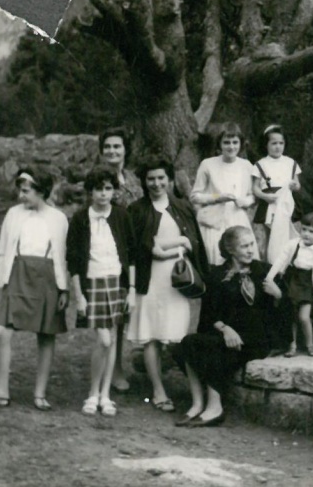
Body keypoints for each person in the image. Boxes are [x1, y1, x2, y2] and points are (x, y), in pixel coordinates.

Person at [0, 167, 69, 411]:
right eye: (20, 190)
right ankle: (0, 391)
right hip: (17, 274)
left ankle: (39, 393)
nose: (21, 196)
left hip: (47, 277)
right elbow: (2, 250)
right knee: (1, 331)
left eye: (26, 191)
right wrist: (3, 282)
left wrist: (63, 289)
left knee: (46, 334)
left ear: (42, 191)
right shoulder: (13, 214)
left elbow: (62, 256)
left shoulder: (58, 219)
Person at [170, 226, 282, 427]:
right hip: (229, 337)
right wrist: (225, 328)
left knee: (214, 348)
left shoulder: (265, 271)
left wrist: (278, 295)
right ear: (231, 249)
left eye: (251, 245)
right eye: (244, 246)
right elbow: (209, 315)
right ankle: (197, 404)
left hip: (257, 337)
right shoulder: (217, 275)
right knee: (187, 343)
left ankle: (215, 408)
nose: (250, 250)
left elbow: (282, 315)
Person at [127, 156, 208, 412]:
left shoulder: (182, 207)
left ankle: (193, 390)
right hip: (150, 279)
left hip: (177, 279)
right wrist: (178, 245)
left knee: (178, 335)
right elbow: (140, 248)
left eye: (161, 178)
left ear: (170, 179)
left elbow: (194, 242)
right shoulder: (137, 210)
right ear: (144, 182)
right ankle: (158, 390)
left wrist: (182, 247)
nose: (156, 183)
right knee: (152, 336)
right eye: (151, 179)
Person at [66, 167, 135, 416]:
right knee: (103, 340)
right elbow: (72, 261)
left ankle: (105, 395)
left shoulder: (121, 216)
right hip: (92, 283)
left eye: (108, 188)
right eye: (98, 189)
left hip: (116, 282)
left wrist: (132, 290)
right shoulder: (80, 219)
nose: (103, 194)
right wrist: (79, 296)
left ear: (113, 191)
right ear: (90, 191)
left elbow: (131, 255)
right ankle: (92, 392)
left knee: (113, 339)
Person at [98, 127, 142, 391]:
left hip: (133, 249)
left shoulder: (134, 179)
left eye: (117, 146)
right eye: (108, 147)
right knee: (110, 313)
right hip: (107, 249)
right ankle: (110, 370)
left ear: (126, 150)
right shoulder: (98, 179)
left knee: (123, 313)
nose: (112, 151)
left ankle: (117, 365)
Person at [265, 211, 313, 357]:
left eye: (312, 231)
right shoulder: (293, 244)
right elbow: (280, 260)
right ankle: (292, 345)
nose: (306, 234)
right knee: (290, 316)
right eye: (304, 229)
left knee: (303, 317)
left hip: (307, 283)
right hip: (292, 280)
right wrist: (270, 277)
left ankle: (310, 344)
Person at [190, 122, 258, 266]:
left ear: (240, 144)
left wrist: (245, 201)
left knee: (242, 260)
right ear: (219, 144)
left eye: (235, 142)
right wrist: (217, 198)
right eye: (226, 142)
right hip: (214, 222)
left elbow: (253, 195)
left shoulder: (246, 166)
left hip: (237, 218)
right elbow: (195, 196)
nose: (231, 147)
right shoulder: (207, 164)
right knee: (216, 262)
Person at [251, 124, 302, 263]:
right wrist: (264, 196)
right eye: (274, 143)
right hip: (269, 202)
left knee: (288, 233)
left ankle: (289, 264)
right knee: (271, 236)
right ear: (266, 145)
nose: (278, 146)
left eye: (281, 143)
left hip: (287, 203)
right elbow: (255, 188)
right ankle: (270, 264)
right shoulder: (261, 164)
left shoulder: (290, 163)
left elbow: (297, 185)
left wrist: (294, 185)